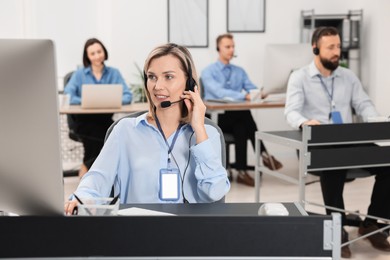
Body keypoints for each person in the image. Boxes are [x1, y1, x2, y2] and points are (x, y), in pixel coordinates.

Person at [64, 43, 230, 215]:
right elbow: (97, 178)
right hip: (137, 231)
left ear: (189, 83)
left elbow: (215, 192)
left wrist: (199, 130)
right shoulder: (125, 130)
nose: (157, 86)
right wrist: (81, 196)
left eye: (168, 77)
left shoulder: (207, 133)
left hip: (188, 232)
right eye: (152, 77)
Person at [285, 26, 390, 258]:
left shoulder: (348, 76)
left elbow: (363, 104)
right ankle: (337, 228)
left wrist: (374, 119)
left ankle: (371, 224)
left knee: (388, 162)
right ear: (315, 48)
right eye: (330, 47)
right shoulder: (299, 77)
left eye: (338, 46)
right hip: (316, 143)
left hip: (347, 141)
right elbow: (291, 111)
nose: (337, 52)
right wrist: (304, 122)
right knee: (333, 160)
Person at [201, 33, 282, 187]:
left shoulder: (240, 71)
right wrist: (243, 96)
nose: (231, 50)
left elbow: (251, 89)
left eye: (233, 46)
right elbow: (219, 92)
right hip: (217, 119)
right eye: (227, 46)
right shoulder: (208, 72)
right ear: (218, 48)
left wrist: (261, 92)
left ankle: (242, 172)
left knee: (241, 126)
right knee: (244, 114)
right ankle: (264, 154)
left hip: (236, 119)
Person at [64, 38, 132, 177]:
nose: (97, 56)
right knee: (103, 137)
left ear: (104, 52)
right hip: (82, 121)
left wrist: (110, 100)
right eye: (92, 53)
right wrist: (85, 101)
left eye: (99, 51)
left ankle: (86, 168)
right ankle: (92, 171)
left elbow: (128, 96)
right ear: (87, 56)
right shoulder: (79, 74)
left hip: (104, 119)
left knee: (112, 133)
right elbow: (68, 96)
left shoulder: (114, 73)